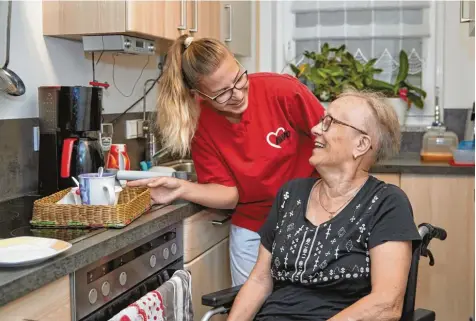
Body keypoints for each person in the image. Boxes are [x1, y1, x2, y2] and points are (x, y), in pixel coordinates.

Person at [127, 34, 325, 286]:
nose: (238, 94)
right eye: (222, 93)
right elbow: (228, 195)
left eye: (239, 79)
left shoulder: (284, 91)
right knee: (250, 304)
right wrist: (181, 189)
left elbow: (334, 144)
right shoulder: (202, 126)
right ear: (198, 94)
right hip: (254, 226)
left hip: (309, 217)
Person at [225, 89, 422, 321]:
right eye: (321, 120)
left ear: (360, 144)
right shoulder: (291, 194)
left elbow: (386, 304)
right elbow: (260, 280)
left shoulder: (387, 203)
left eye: (330, 123)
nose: (315, 129)